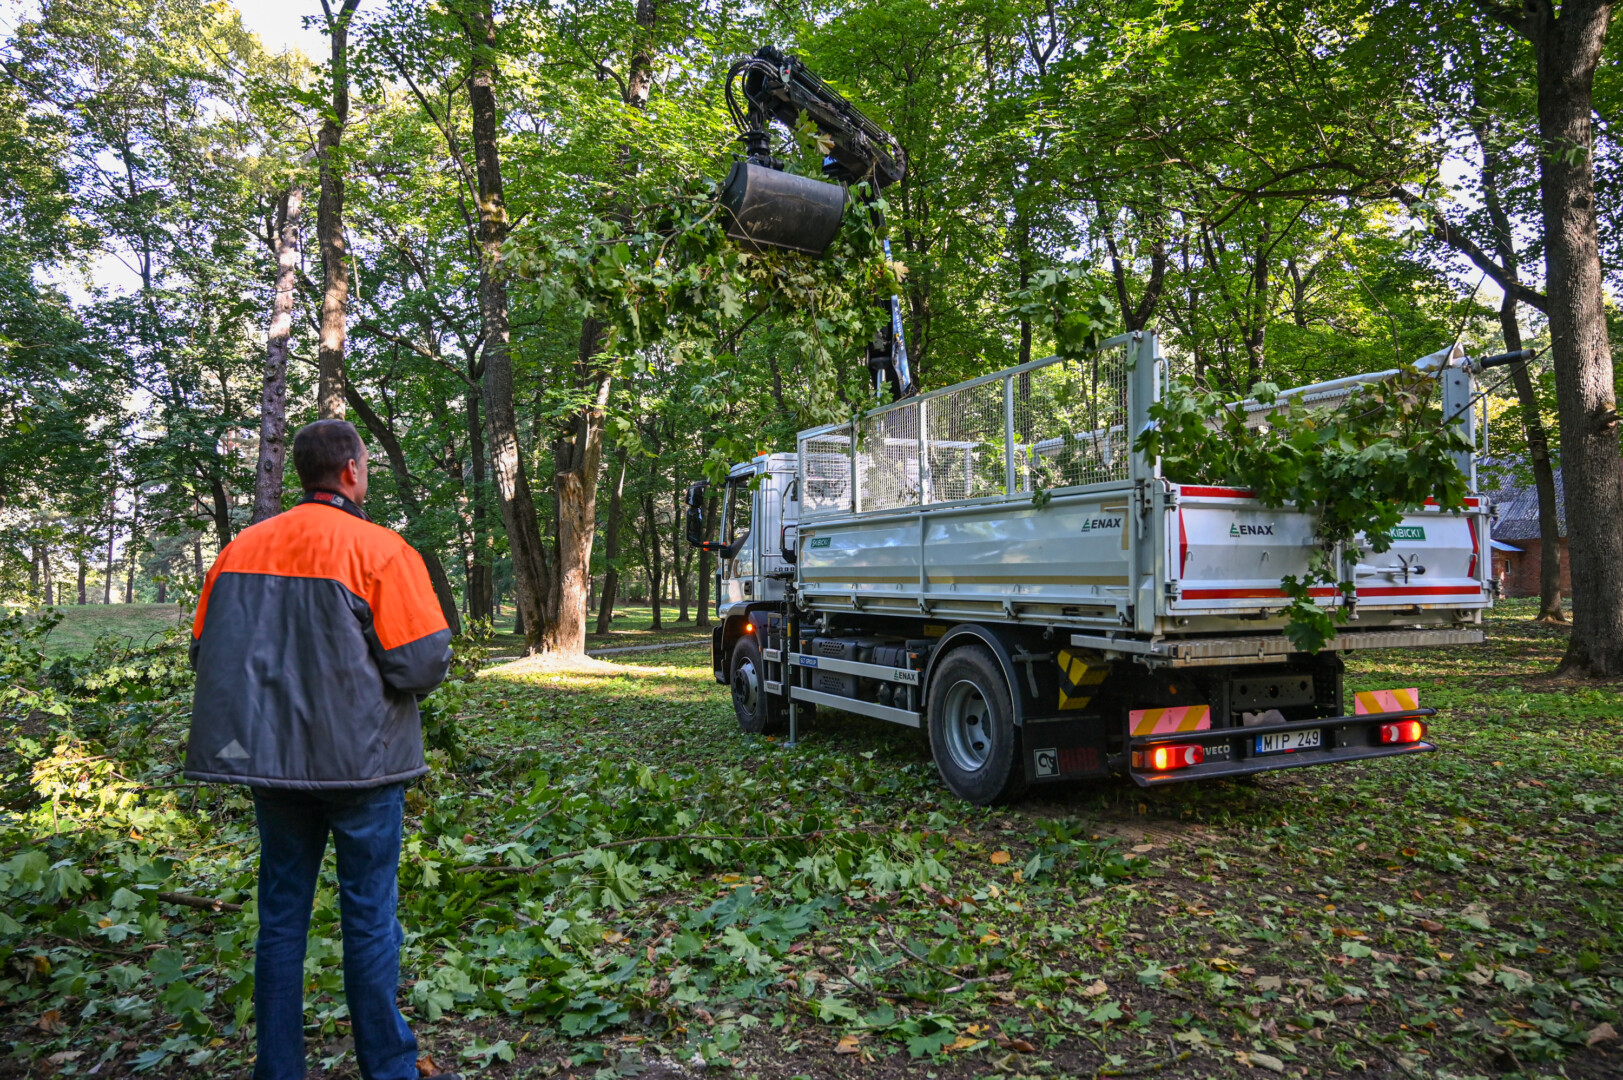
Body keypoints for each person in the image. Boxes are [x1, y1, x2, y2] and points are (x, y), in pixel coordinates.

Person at [184, 419, 459, 1080]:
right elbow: (422, 665)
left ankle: (277, 1070)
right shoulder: (383, 552)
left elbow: (205, 652)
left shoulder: (237, 551)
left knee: (280, 917)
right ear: (350, 473)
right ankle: (387, 1071)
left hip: (269, 765)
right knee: (368, 918)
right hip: (362, 765)